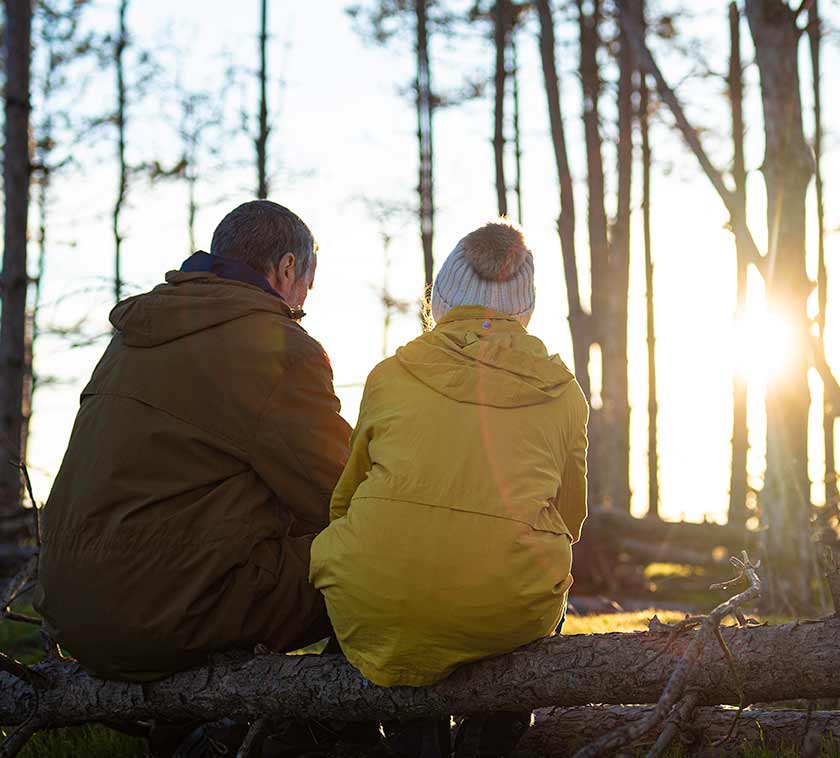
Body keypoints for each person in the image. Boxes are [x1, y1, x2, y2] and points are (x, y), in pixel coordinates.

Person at [35, 200, 351, 684]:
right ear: (288, 267)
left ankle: (197, 731)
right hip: (169, 615)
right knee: (379, 553)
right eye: (306, 287)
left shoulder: (133, 337)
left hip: (76, 614)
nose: (303, 305)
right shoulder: (274, 344)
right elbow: (342, 491)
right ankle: (318, 725)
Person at [309, 220, 589, 757]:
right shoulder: (563, 392)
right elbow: (570, 519)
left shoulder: (390, 374)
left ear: (440, 297)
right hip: (503, 603)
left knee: (397, 586)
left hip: (378, 591)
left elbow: (344, 501)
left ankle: (416, 735)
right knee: (534, 584)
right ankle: (489, 738)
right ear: (525, 305)